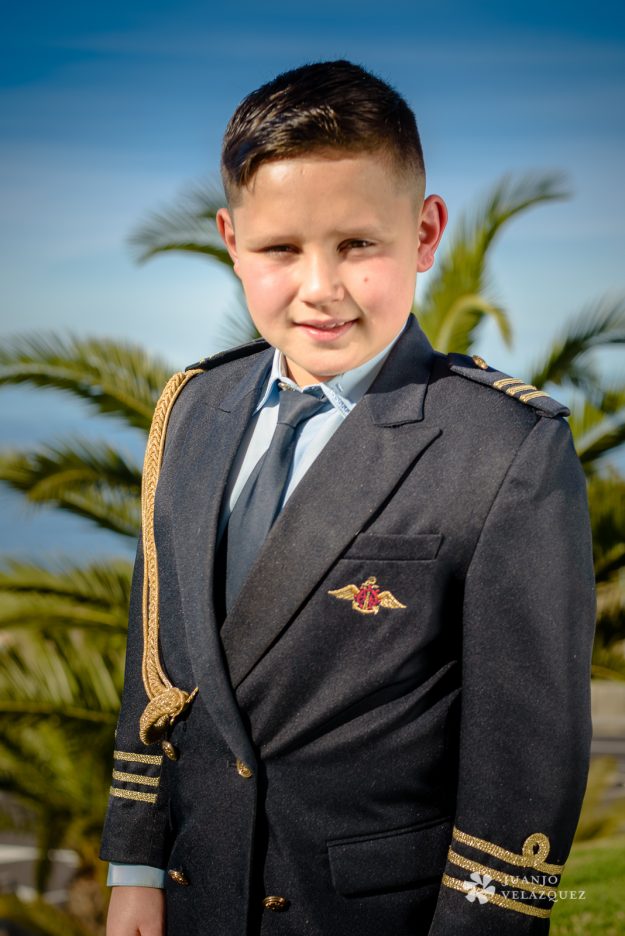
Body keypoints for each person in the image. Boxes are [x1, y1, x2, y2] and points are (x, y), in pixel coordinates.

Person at [101, 60, 595, 936]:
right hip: (189, 894)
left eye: (358, 244)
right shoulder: (189, 410)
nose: (320, 287)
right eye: (279, 249)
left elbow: (524, 758)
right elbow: (158, 664)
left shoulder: (502, 446)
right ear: (229, 240)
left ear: (425, 232)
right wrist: (135, 866)